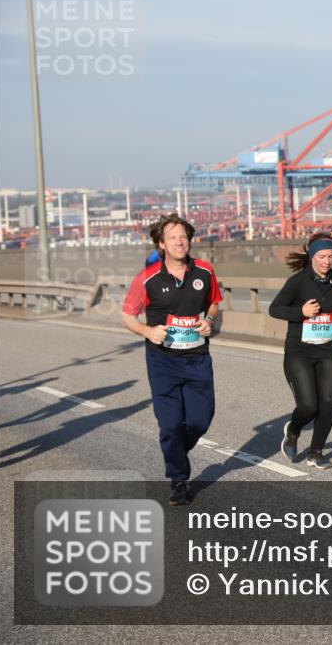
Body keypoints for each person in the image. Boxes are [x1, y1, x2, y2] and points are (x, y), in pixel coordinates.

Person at [121, 214, 222, 506]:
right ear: (162, 245)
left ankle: (176, 451)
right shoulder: (147, 278)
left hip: (197, 359)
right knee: (170, 425)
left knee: (200, 420)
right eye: (173, 237)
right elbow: (127, 315)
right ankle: (178, 480)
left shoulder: (204, 271)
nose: (180, 242)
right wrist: (147, 331)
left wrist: (210, 322)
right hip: (163, 361)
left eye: (184, 237)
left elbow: (214, 304)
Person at [269, 233, 332, 469]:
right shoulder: (298, 282)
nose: (327, 261)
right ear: (312, 256)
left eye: (331, 256)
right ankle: (293, 431)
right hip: (299, 352)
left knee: (328, 403)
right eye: (322, 256)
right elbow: (275, 309)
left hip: (326, 351)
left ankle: (316, 452)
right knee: (308, 406)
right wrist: (301, 312)